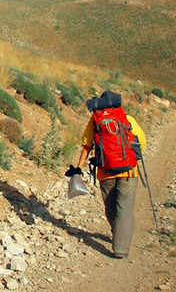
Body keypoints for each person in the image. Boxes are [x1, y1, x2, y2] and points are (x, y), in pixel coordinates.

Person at [71, 96, 147, 259]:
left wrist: (79, 168)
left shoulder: (95, 120)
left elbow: (86, 144)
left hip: (105, 172)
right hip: (129, 171)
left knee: (111, 207)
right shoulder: (127, 118)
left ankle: (117, 233)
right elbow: (141, 141)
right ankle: (121, 248)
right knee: (124, 209)